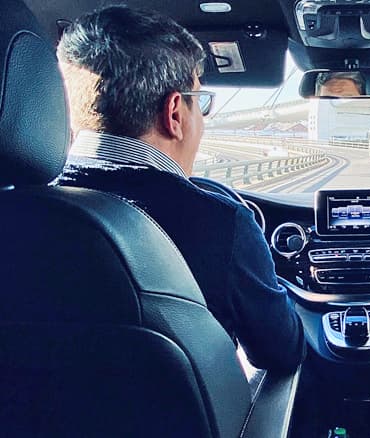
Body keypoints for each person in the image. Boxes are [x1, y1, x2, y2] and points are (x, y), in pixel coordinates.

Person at [56, 6, 305, 374]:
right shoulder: (222, 224)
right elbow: (282, 354)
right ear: (175, 113)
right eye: (199, 101)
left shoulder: (14, 216)